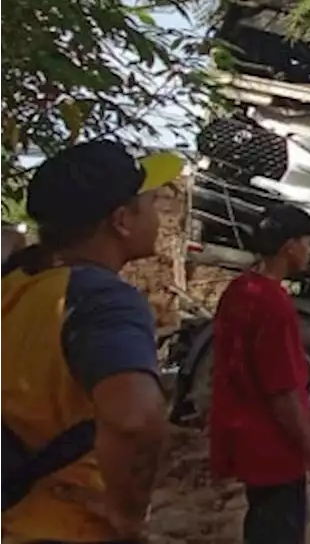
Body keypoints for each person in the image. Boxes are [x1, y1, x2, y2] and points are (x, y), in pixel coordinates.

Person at [0, 140, 182, 543]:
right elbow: (135, 418)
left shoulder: (16, 286)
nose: (159, 215)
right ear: (121, 220)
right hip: (62, 529)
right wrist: (128, 516)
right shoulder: (102, 299)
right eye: (149, 203)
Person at [208, 203, 310, 544]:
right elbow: (282, 391)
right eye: (307, 243)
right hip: (274, 450)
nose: (309, 252)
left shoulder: (239, 291)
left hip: (246, 442)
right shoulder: (274, 304)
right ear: (289, 247)